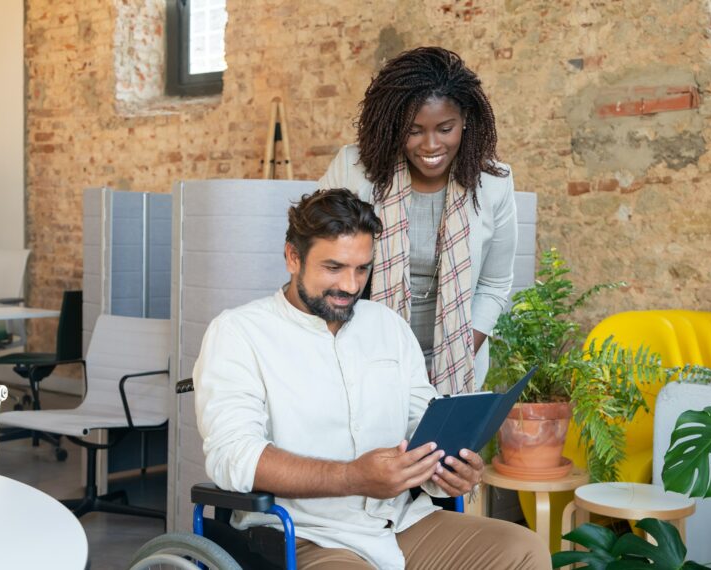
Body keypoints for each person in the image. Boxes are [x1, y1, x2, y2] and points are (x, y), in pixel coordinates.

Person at [193, 189, 550, 570]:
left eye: (362, 269)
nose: (350, 286)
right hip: (306, 535)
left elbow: (420, 425)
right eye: (334, 267)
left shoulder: (388, 327)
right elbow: (233, 456)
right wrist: (352, 478)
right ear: (292, 257)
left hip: (401, 522)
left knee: (524, 550)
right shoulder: (238, 332)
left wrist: (451, 470)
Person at [319, 46, 517, 397]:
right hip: (360, 360)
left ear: (465, 120)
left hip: (454, 364)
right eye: (414, 130)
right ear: (395, 125)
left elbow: (495, 284)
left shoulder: (495, 184)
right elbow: (319, 264)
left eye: (445, 128)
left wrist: (449, 356)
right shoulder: (355, 172)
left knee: (443, 454)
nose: (430, 145)